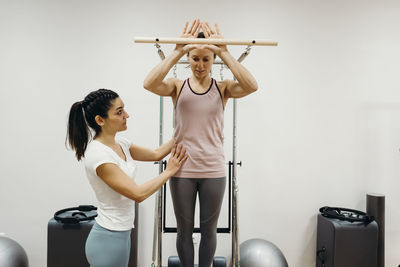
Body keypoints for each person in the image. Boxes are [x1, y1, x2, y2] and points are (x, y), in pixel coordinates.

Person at [143, 19, 258, 267]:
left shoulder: (223, 88)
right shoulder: (177, 86)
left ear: (213, 61)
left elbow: (252, 86)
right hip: (181, 168)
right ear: (189, 58)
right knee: (184, 231)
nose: (200, 65)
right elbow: (149, 83)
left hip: (213, 170)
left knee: (209, 232)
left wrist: (225, 51)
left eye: (206, 59)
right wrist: (176, 51)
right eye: (195, 58)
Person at [66, 88, 187, 267]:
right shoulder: (99, 155)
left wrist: (184, 128)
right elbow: (137, 194)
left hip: (121, 233)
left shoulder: (121, 144)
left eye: (124, 109)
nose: (127, 115)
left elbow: (156, 153)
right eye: (119, 112)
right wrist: (169, 171)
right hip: (108, 238)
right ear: (100, 120)